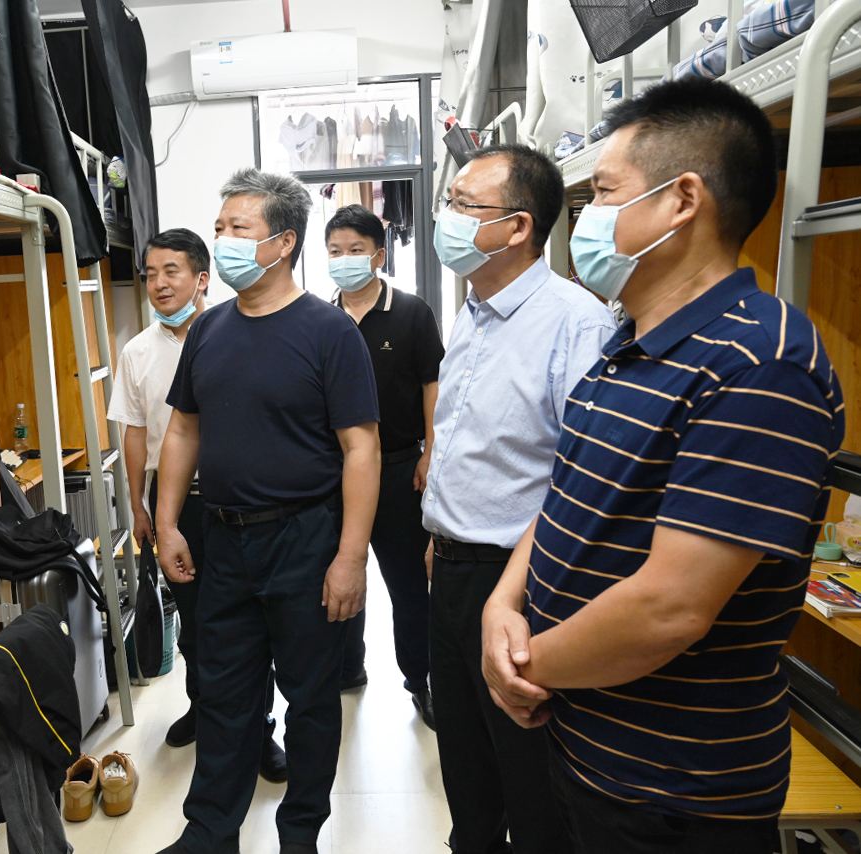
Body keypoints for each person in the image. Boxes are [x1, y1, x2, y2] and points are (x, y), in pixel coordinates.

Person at [481, 78, 844, 853]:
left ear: (682, 200)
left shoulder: (760, 362)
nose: (585, 219)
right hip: (585, 745)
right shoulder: (629, 342)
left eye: (604, 194)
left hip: (672, 791)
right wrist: (501, 606)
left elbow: (670, 608)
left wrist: (524, 662)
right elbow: (567, 500)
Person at [153, 168, 380, 854]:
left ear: (282, 244)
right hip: (224, 539)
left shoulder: (329, 332)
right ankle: (209, 832)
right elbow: (182, 429)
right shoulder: (209, 330)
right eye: (219, 227)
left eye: (237, 228)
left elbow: (361, 448)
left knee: (310, 700)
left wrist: (350, 557)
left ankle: (299, 835)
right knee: (224, 694)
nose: (222, 239)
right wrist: (167, 522)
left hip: (305, 539)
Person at [424, 144, 617, 854]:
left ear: (517, 227)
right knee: (465, 768)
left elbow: (581, 478)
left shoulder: (576, 323)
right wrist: (440, 536)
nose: (446, 218)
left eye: (463, 205)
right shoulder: (473, 311)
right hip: (452, 568)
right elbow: (467, 439)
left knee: (530, 783)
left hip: (522, 584)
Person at [107, 226, 286, 781]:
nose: (159, 284)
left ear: (202, 278)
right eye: (150, 275)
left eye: (172, 271)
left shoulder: (235, 334)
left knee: (247, 625)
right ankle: (205, 709)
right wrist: (139, 507)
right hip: (174, 503)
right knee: (195, 620)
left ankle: (258, 729)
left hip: (236, 498)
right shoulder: (137, 351)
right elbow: (135, 433)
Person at [325, 203, 444, 728]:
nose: (344, 259)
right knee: (337, 575)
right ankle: (347, 669)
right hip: (335, 475)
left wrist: (432, 452)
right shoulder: (321, 319)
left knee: (409, 587)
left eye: (354, 250)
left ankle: (421, 681)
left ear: (378, 255)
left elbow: (433, 385)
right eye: (334, 251)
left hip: (399, 470)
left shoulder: (412, 312)